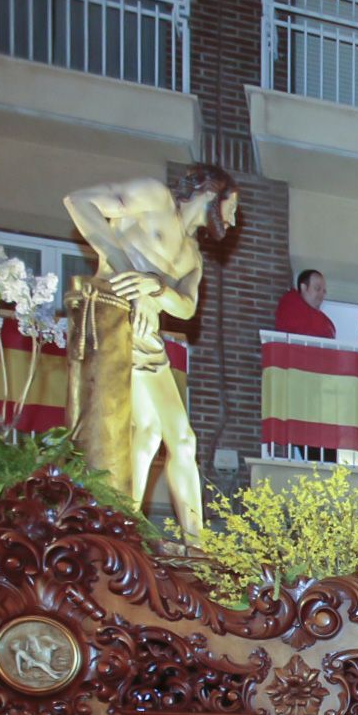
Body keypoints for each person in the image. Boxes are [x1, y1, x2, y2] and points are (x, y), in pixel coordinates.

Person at [62, 164, 236, 539]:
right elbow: (78, 202)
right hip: (114, 322)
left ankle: (194, 543)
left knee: (179, 438)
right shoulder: (154, 196)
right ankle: (121, 528)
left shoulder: (194, 257)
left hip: (148, 339)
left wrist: (153, 288)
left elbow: (187, 307)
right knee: (147, 432)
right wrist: (129, 278)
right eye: (231, 206)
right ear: (212, 193)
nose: (233, 219)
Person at [272, 269, 337, 339]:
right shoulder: (291, 307)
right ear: (303, 287)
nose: (322, 294)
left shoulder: (326, 322)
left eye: (324, 291)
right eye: (317, 288)